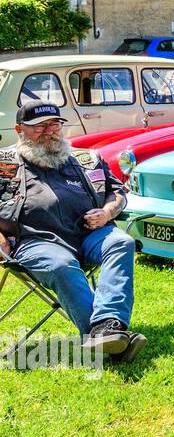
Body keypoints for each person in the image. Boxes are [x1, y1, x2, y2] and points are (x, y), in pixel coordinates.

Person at [0, 102, 143, 362]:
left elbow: (118, 193)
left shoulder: (86, 159)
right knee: (61, 264)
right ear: (19, 130)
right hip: (35, 241)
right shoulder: (2, 164)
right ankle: (109, 337)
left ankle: (107, 325)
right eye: (39, 127)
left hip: (89, 235)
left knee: (121, 242)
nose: (49, 132)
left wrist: (108, 213)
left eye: (54, 125)